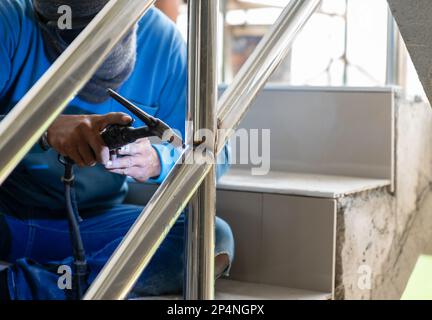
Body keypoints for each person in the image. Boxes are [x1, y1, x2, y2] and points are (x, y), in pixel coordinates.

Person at [0, 0, 234, 300]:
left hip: (90, 224)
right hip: (6, 212)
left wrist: (158, 161)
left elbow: (216, 153)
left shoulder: (164, 44)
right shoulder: (10, 19)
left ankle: (20, 288)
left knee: (206, 238)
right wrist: (41, 129)